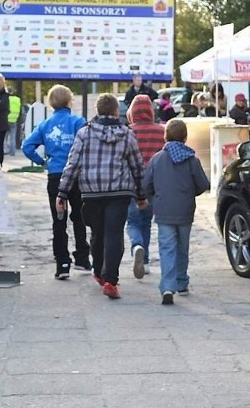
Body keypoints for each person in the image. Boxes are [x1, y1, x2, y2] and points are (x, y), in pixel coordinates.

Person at [57, 93, 147, 299]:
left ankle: (98, 271)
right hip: (119, 193)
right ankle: (111, 280)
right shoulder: (127, 134)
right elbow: (137, 166)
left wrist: (62, 192)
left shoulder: (84, 134)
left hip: (91, 193)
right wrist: (141, 195)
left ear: (97, 111)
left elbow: (73, 164)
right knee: (114, 234)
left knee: (97, 233)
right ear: (117, 111)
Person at [22, 84, 91, 280]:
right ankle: (82, 259)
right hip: (76, 176)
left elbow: (27, 146)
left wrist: (42, 161)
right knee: (79, 217)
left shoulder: (45, 125)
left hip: (55, 176)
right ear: (70, 101)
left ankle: (62, 263)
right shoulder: (78, 121)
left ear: (51, 103)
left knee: (58, 220)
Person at [143, 119, 210, 305]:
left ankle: (167, 286)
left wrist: (155, 197)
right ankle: (182, 282)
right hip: (185, 210)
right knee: (183, 247)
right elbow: (203, 184)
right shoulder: (192, 159)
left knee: (167, 248)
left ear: (165, 136)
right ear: (185, 137)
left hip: (164, 210)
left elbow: (146, 185)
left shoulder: (156, 159)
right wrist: (190, 193)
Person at [126, 95, 166, 279]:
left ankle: (137, 246)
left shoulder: (127, 132)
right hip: (154, 185)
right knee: (146, 222)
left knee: (133, 221)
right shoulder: (161, 131)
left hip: (130, 184)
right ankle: (147, 260)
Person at [5, 86, 22, 156]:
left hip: (5, 120)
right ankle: (12, 152)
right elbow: (20, 110)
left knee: (3, 137)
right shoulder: (17, 99)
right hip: (14, 120)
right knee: (13, 137)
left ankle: (5, 150)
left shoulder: (6, 99)